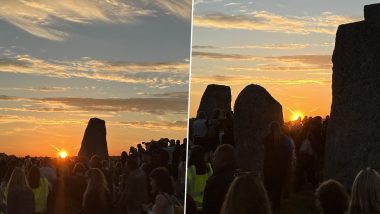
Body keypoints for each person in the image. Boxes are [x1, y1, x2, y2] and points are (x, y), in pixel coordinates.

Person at [263, 121, 292, 210]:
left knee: (269, 186)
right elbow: (290, 151)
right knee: (278, 186)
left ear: (270, 129)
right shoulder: (285, 139)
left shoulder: (266, 139)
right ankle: (276, 205)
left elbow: (264, 152)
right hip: (281, 166)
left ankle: (267, 204)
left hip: (269, 166)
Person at [202, 144, 236, 214]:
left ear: (220, 159)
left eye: (214, 157)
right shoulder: (238, 179)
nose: (212, 161)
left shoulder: (215, 182)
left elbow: (209, 209)